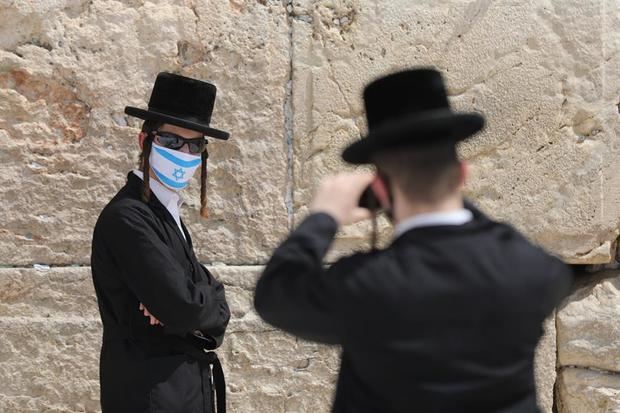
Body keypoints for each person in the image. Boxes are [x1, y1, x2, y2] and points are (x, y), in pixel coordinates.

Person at [254, 68, 573, 413]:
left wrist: (323, 217)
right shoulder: (527, 270)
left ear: (379, 189)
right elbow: (555, 273)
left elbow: (275, 295)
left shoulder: (365, 284)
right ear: (462, 174)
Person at [91, 72, 231, 413]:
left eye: (194, 145)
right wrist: (197, 301)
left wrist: (204, 300)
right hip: (150, 395)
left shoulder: (167, 214)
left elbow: (204, 308)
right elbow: (184, 306)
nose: (183, 152)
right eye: (171, 141)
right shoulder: (128, 217)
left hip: (186, 391)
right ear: (145, 141)